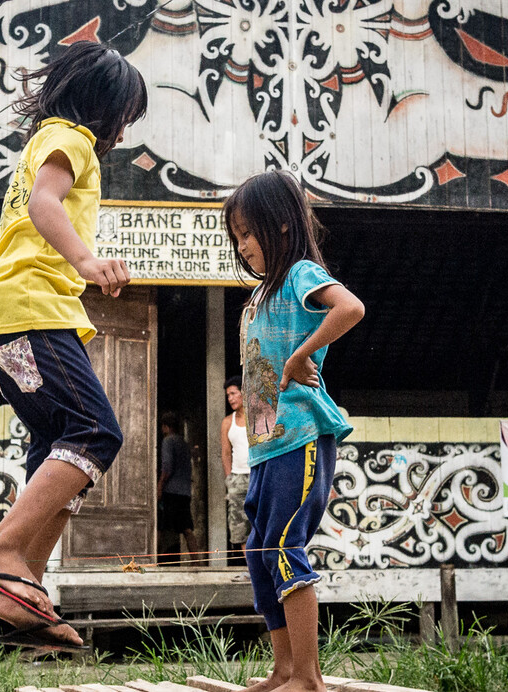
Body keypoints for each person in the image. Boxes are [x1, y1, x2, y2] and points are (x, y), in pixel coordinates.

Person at [0, 40, 147, 650]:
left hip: (4, 320)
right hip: (30, 313)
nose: (122, 132)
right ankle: (1, 548)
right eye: (124, 118)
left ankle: (22, 591)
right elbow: (43, 205)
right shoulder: (71, 140)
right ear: (105, 109)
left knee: (57, 443)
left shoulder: (41, 143)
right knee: (95, 432)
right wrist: (87, 260)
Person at [226, 170, 365, 692]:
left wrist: (304, 354)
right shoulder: (258, 297)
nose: (242, 246)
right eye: (236, 237)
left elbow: (351, 308)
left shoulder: (301, 274)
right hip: (265, 449)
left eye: (248, 232)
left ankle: (308, 677)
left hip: (302, 436)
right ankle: (283, 668)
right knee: (259, 552)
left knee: (285, 546)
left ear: (281, 225)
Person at [157, 412, 200, 555]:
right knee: (187, 528)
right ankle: (196, 561)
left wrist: (160, 486)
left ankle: (153, 558)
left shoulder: (168, 441)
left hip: (171, 491)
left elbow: (167, 467)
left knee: (160, 527)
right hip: (184, 491)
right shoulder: (183, 442)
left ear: (165, 427)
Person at [219, 375, 251, 560]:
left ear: (243, 393)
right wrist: (229, 479)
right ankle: (250, 569)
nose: (230, 398)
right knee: (239, 526)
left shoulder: (255, 418)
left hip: (256, 474)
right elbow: (225, 453)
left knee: (259, 523)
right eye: (228, 395)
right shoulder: (226, 422)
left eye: (233, 393)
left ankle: (262, 570)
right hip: (237, 478)